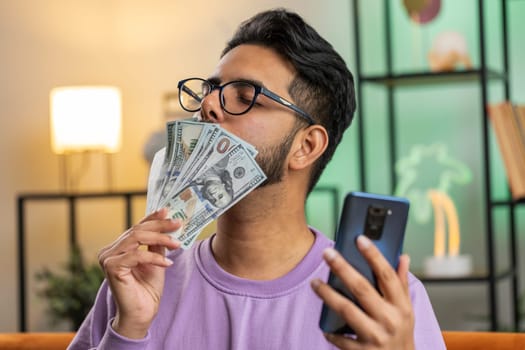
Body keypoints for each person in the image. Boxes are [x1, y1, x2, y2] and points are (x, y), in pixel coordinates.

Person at [68, 8, 445, 350]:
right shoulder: (137, 279)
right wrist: (128, 331)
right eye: (210, 91)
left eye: (245, 96)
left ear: (306, 146)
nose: (209, 106)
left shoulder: (386, 303)